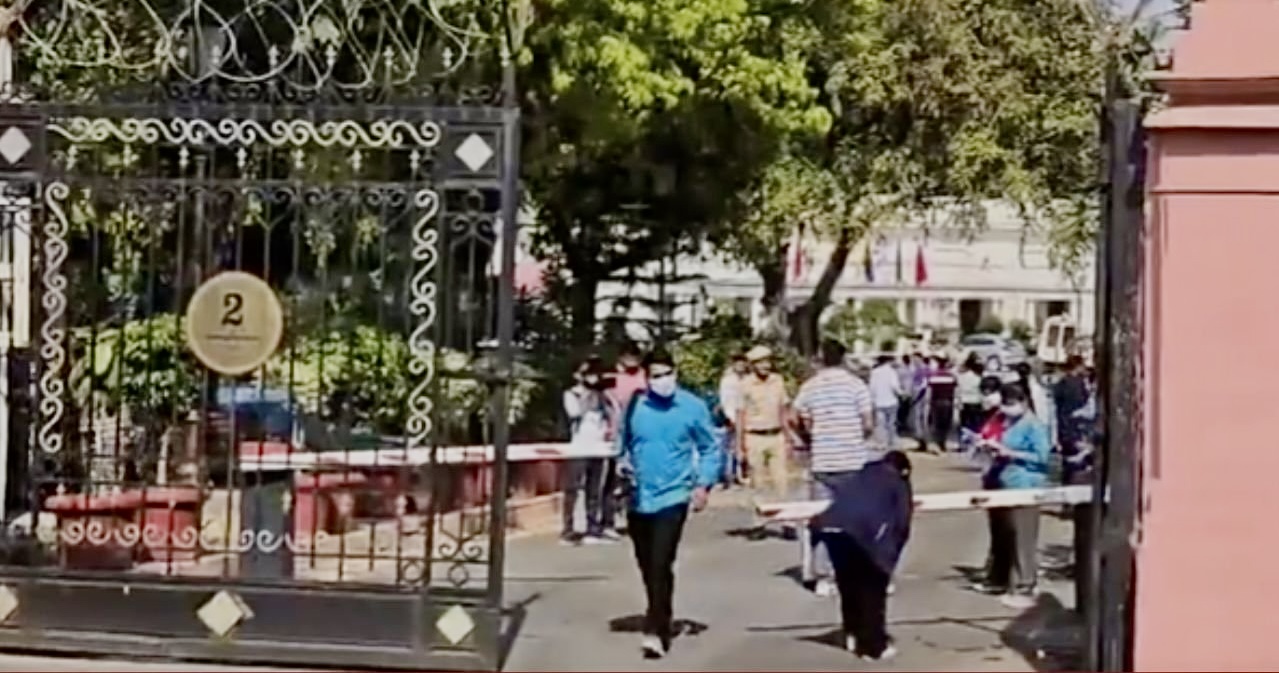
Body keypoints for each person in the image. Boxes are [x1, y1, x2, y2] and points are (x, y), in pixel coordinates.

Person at [614, 349, 721, 659]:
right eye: (656, 375)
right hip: (638, 497)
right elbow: (621, 445)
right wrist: (622, 464)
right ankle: (660, 609)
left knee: (661, 561)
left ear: (675, 373)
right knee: (648, 565)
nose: (662, 380)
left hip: (674, 495)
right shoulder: (635, 406)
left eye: (667, 373)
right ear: (646, 378)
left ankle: (656, 630)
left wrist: (703, 484)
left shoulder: (692, 407)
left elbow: (710, 447)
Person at [812, 451, 914, 662]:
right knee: (872, 592)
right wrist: (889, 558)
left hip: (830, 527)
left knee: (848, 585)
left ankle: (852, 633)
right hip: (862, 534)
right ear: (903, 471)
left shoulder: (860, 475)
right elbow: (902, 520)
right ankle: (872, 647)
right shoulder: (897, 481)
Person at [792, 339, 874, 597]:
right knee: (856, 520)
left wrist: (810, 435)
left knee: (824, 521)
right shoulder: (856, 385)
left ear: (820, 358)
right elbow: (868, 423)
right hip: (853, 461)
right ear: (843, 357)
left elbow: (795, 416)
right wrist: (856, 436)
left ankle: (826, 576)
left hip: (823, 461)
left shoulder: (811, 386)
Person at [973, 384, 1053, 609]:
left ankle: (1025, 585)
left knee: (1023, 537)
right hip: (1004, 483)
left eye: (1011, 404)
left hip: (1026, 485)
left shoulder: (1033, 426)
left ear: (1024, 402)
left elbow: (1043, 456)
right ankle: (1004, 579)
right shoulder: (1006, 421)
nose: (1007, 408)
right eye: (1005, 404)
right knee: (1006, 534)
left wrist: (1011, 453)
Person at [561, 358, 619, 545]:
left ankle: (593, 528)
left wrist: (605, 396)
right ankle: (568, 530)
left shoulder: (601, 395)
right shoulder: (571, 394)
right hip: (578, 447)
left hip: (598, 447)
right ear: (578, 376)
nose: (593, 378)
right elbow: (574, 413)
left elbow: (612, 413)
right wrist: (587, 395)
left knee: (594, 489)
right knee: (573, 488)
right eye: (588, 374)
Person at [739, 345, 792, 500]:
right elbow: (740, 414)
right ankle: (760, 512)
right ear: (753, 365)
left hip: (776, 435)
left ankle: (784, 510)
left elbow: (783, 410)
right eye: (761, 362)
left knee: (781, 480)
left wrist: (788, 437)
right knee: (758, 480)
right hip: (754, 436)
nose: (765, 366)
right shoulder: (745, 384)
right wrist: (740, 445)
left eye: (767, 362)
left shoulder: (777, 380)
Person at [717, 353, 748, 486]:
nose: (741, 366)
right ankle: (724, 476)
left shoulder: (747, 380)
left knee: (741, 446)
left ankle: (739, 474)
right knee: (727, 447)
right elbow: (724, 399)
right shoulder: (728, 381)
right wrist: (729, 417)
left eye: (743, 363)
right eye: (738, 363)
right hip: (731, 416)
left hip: (745, 417)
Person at [921, 355, 957, 454]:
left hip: (936, 403)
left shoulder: (933, 376)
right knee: (946, 424)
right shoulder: (951, 376)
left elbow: (929, 390)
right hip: (948, 402)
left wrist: (927, 402)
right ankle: (942, 443)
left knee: (936, 424)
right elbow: (955, 390)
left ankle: (936, 442)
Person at [868, 351, 902, 452]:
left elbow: (872, 388)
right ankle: (892, 443)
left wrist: (872, 400)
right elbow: (894, 386)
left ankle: (882, 443)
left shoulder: (874, 372)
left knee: (880, 424)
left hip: (879, 402)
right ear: (888, 362)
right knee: (891, 424)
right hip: (891, 401)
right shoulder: (892, 372)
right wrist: (901, 393)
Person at [957, 354, 985, 435]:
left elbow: (959, 389)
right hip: (976, 403)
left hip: (964, 403)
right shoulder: (979, 378)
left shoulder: (962, 375)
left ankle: (964, 438)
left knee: (964, 425)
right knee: (976, 426)